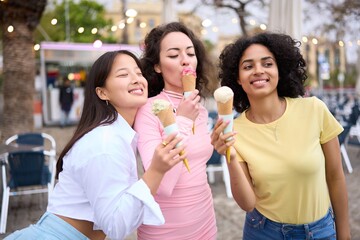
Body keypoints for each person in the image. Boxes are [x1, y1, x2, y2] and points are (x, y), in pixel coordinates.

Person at [5, 50, 187, 240]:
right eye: (123, 74)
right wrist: (156, 171)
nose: (136, 79)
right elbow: (116, 226)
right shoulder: (104, 143)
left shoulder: (117, 134)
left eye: (139, 73)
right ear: (102, 92)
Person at [211, 32, 351, 239]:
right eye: (248, 66)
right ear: (238, 79)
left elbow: (335, 176)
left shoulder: (314, 109)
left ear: (279, 70)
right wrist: (229, 155)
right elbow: (247, 203)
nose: (258, 71)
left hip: (321, 230)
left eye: (267, 64)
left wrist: (344, 233)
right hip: (264, 231)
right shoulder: (234, 130)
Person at [133, 22, 217, 239]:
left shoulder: (201, 110)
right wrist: (180, 121)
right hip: (165, 226)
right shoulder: (148, 109)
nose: (185, 60)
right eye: (173, 55)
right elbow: (163, 185)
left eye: (190, 53)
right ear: (157, 66)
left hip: (205, 219)